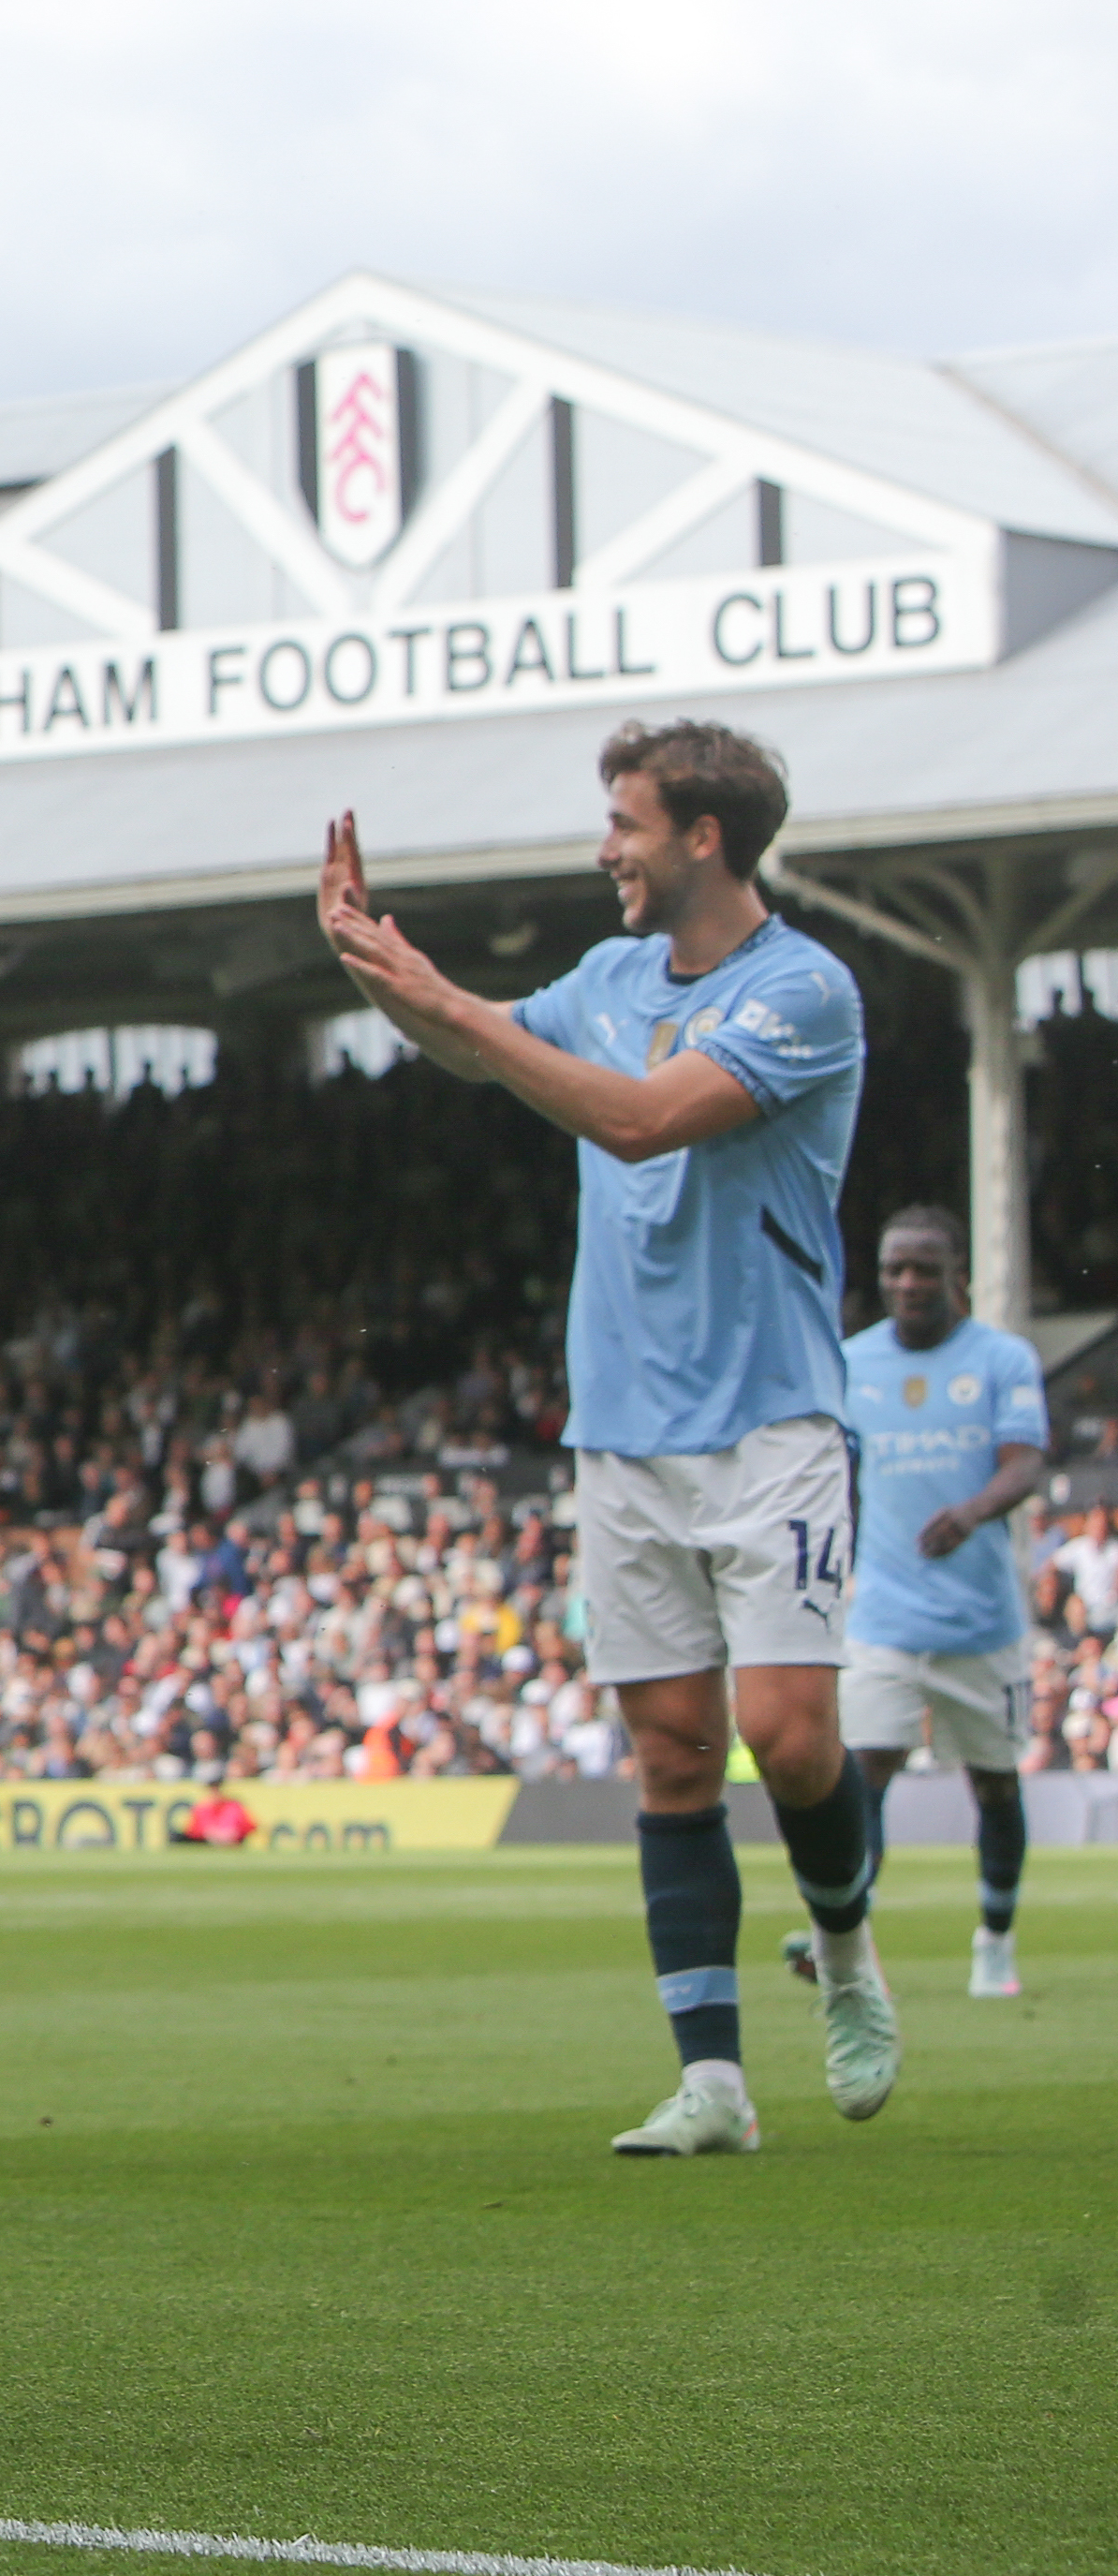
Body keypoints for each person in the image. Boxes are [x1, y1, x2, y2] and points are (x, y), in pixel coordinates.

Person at [320, 717, 884, 2154]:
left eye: (625, 824)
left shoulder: (803, 990)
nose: (604, 849)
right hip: (625, 1422)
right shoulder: (614, 975)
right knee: (677, 1754)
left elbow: (638, 1123)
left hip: (773, 1415)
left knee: (790, 1736)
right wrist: (390, 976)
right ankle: (713, 2083)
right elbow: (473, 1057)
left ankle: (849, 1944)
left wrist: (457, 1004)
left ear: (703, 836)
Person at [786, 1207, 1045, 2002]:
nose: (906, 1282)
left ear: (957, 1271)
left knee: (995, 1785)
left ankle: (994, 1942)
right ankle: (845, 1941)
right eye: (895, 1267)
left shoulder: (1001, 1359)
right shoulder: (853, 1361)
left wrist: (970, 1512)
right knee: (864, 1775)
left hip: (981, 1621)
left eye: (924, 1268)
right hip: (884, 1617)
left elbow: (1026, 1462)